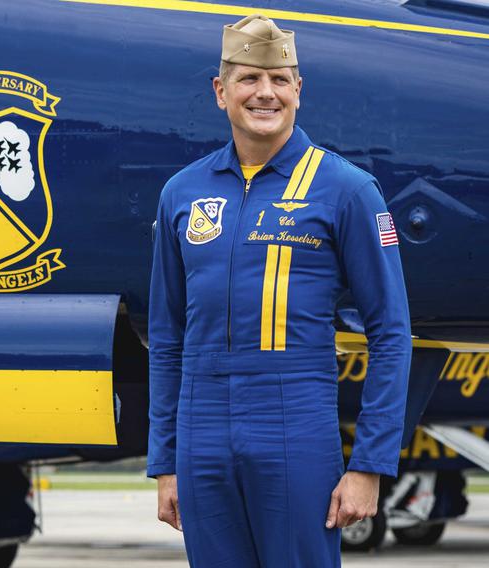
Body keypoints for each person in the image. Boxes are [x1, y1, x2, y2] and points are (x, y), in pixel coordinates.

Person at [147, 14, 412, 567]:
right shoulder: (182, 193)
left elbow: (390, 333)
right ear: (221, 92)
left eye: (280, 80)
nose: (265, 93)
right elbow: (167, 336)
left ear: (299, 90)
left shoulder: (346, 190)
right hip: (201, 432)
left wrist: (369, 465)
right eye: (248, 79)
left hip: (293, 423)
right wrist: (166, 461)